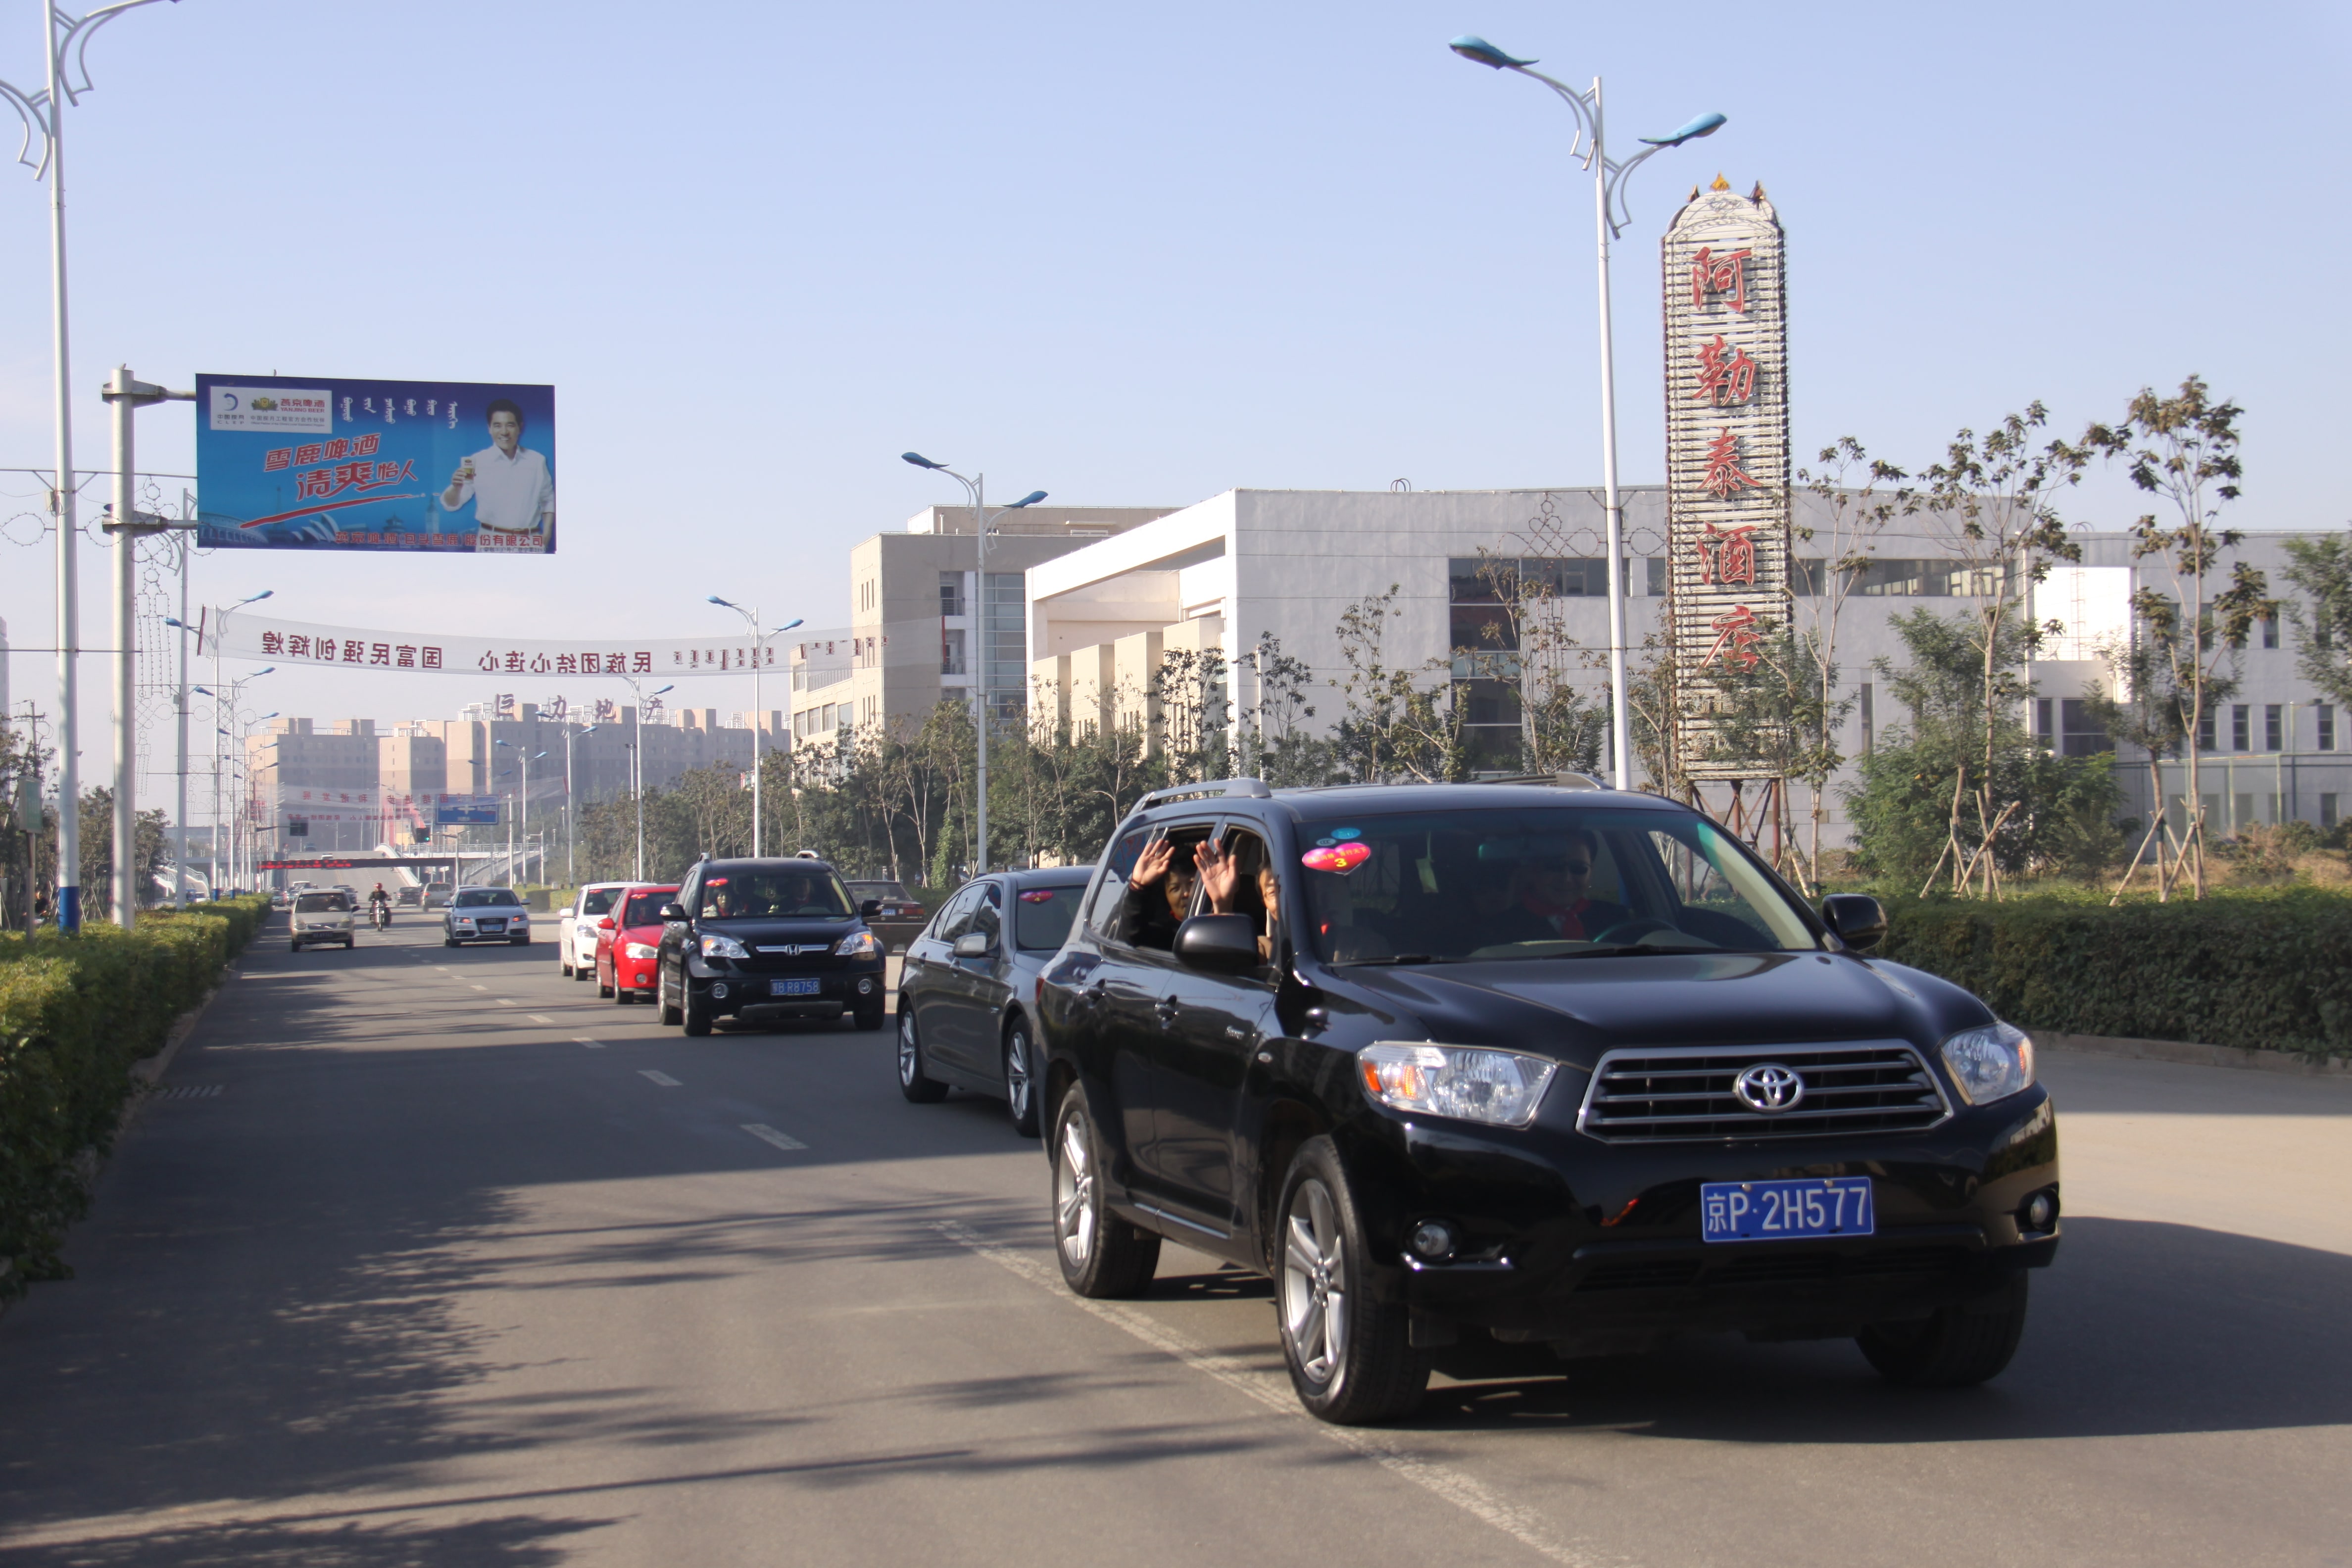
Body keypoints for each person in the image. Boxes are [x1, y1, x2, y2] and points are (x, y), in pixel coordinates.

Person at [440, 397, 554, 543]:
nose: (504, 432)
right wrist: (456, 488)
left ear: (520, 427)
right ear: (490, 428)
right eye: (498, 426)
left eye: (510, 425)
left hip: (530, 539)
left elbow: (548, 500)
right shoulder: (477, 461)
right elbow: (452, 505)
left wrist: (547, 535)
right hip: (491, 539)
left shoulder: (537, 460)